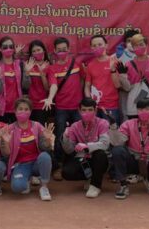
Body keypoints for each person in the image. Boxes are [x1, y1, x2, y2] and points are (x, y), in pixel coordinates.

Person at [43, 37, 83, 180]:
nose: (62, 52)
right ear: (54, 51)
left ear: (69, 49)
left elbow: (85, 81)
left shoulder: (77, 64)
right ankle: (58, 167)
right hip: (61, 108)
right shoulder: (52, 69)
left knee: (79, 136)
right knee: (60, 137)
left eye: (64, 49)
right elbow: (53, 85)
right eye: (59, 50)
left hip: (78, 108)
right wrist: (50, 98)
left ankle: (77, 166)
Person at [2, 99, 55, 201]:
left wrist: (48, 139)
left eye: (26, 109)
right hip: (21, 165)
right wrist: (6, 142)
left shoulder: (37, 126)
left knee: (45, 156)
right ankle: (27, 179)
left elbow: (45, 147)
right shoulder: (9, 129)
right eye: (20, 109)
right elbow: (6, 154)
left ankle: (44, 187)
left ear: (30, 111)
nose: (23, 112)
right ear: (15, 111)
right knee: (17, 188)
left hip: (36, 163)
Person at [60, 98, 110, 198]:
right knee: (66, 172)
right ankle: (90, 177)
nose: (87, 113)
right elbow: (69, 150)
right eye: (84, 110)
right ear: (79, 111)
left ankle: (95, 185)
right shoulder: (75, 126)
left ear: (95, 110)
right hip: (83, 159)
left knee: (100, 154)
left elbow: (105, 144)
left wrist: (87, 146)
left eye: (90, 110)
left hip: (99, 158)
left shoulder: (103, 123)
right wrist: (65, 136)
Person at [118, 34, 149, 120]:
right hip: (134, 107)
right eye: (136, 45)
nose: (139, 47)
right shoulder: (128, 65)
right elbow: (127, 88)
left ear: (146, 45)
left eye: (141, 44)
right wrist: (122, 75)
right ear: (132, 47)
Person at [83, 35, 122, 124]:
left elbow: (118, 85)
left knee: (112, 135)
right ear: (91, 48)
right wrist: (89, 102)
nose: (97, 47)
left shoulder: (115, 61)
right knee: (95, 135)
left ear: (106, 45)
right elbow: (87, 85)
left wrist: (112, 69)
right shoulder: (90, 65)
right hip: (95, 107)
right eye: (94, 45)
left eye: (100, 44)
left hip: (111, 106)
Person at [0, 37, 25, 123]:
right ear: (0, 49)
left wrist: (26, 72)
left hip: (17, 107)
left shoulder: (20, 64)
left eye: (11, 46)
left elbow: (26, 85)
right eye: (5, 47)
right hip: (1, 108)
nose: (8, 49)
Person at [23, 40, 50, 124]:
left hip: (42, 105)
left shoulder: (49, 65)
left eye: (38, 50)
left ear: (44, 51)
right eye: (34, 51)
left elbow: (47, 89)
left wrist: (42, 74)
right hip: (28, 104)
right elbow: (24, 86)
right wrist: (27, 72)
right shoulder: (27, 64)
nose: (36, 52)